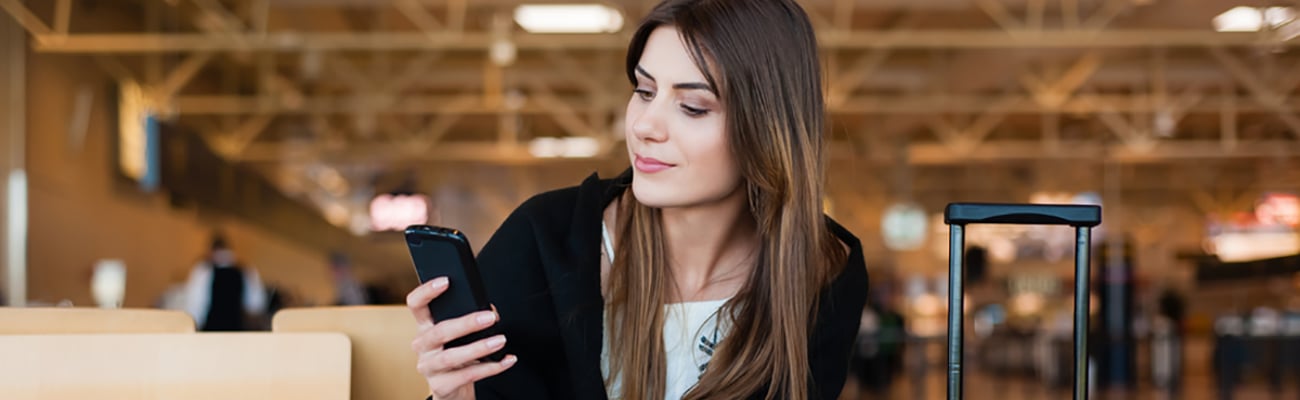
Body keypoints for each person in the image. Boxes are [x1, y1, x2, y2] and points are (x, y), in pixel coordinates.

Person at [405, 1, 869, 399]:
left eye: (692, 107)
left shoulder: (822, 272)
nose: (646, 125)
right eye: (644, 91)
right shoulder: (543, 240)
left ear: (768, 128)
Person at [184, 234, 268, 331]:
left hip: (211, 330)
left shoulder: (202, 271)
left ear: (210, 251)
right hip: (237, 330)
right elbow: (256, 305)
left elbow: (195, 305)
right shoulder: (245, 270)